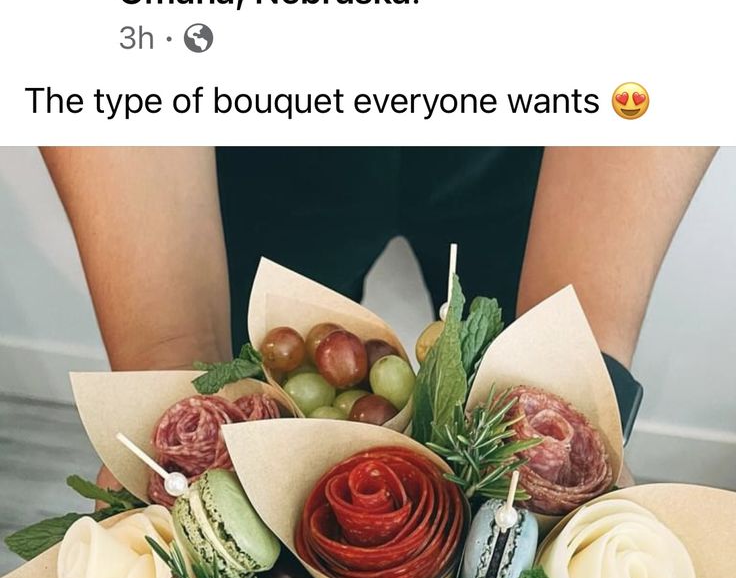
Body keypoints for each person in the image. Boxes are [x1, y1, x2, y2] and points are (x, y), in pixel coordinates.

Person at [42, 145, 715, 441]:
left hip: (545, 125)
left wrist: (579, 367)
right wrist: (167, 364)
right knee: (228, 393)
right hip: (249, 113)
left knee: (547, 397)